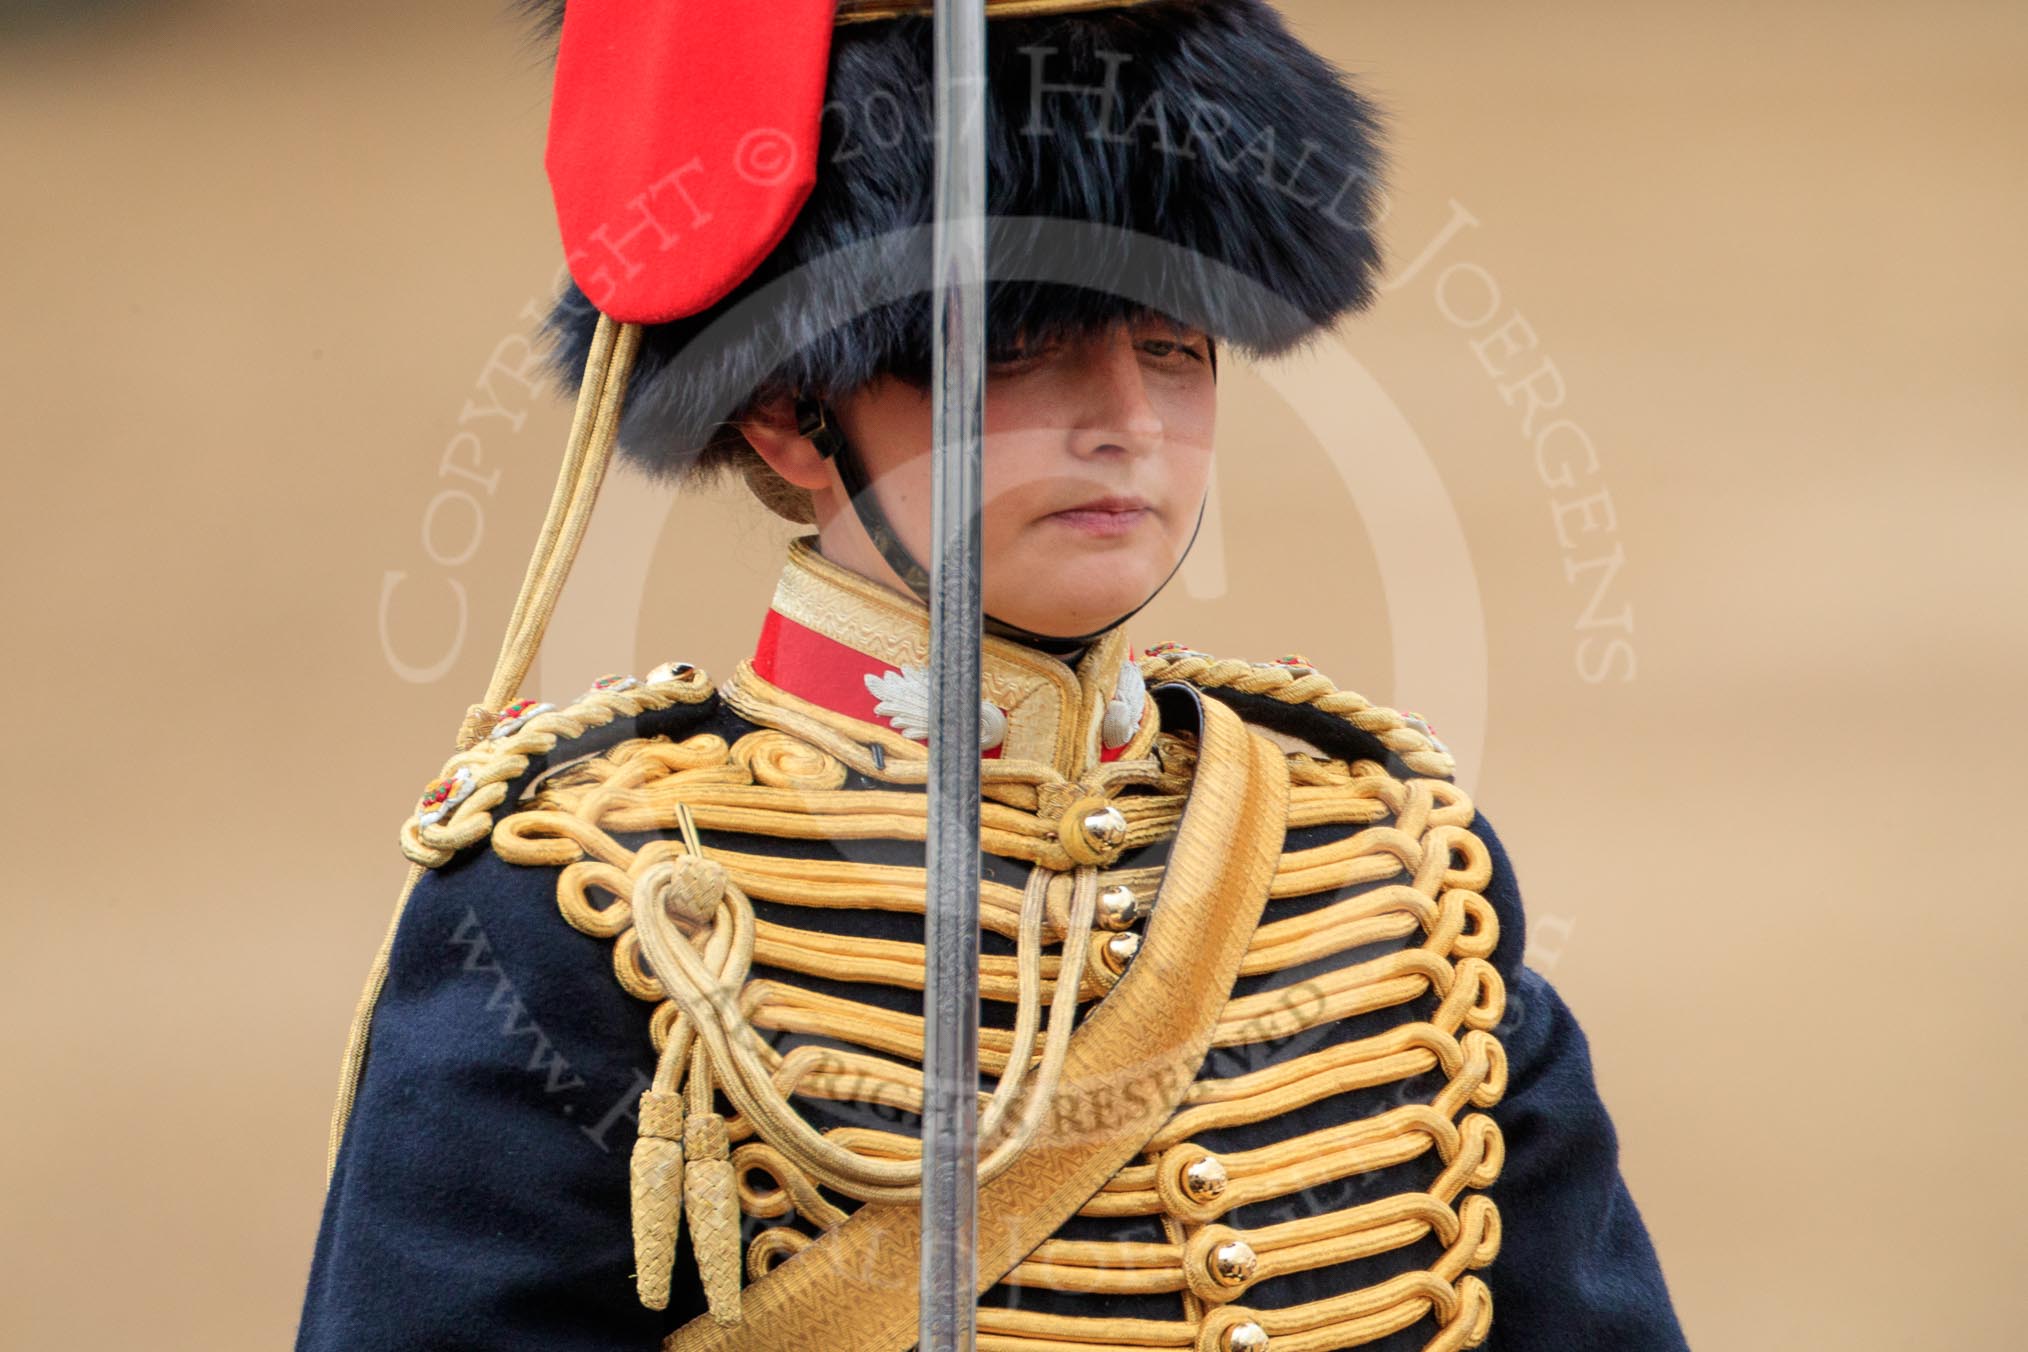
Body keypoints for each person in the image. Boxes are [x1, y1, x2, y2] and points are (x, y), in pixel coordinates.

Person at [296, 2, 1691, 1349]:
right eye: (1024, 347)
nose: (1129, 425)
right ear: (791, 407)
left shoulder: (1392, 863)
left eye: (1173, 346)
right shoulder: (592, 901)